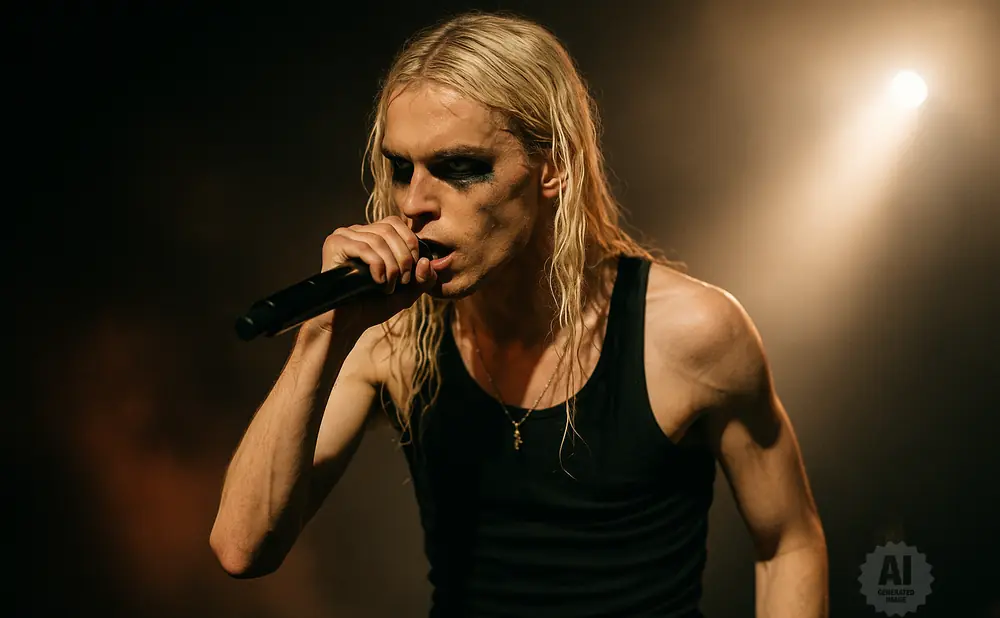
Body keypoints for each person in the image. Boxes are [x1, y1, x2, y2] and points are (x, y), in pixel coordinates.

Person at [209, 10, 828, 618]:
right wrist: (324, 334)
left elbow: (789, 544)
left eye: (459, 168)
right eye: (401, 168)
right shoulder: (390, 337)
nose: (415, 202)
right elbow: (242, 548)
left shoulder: (690, 332)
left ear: (552, 166)